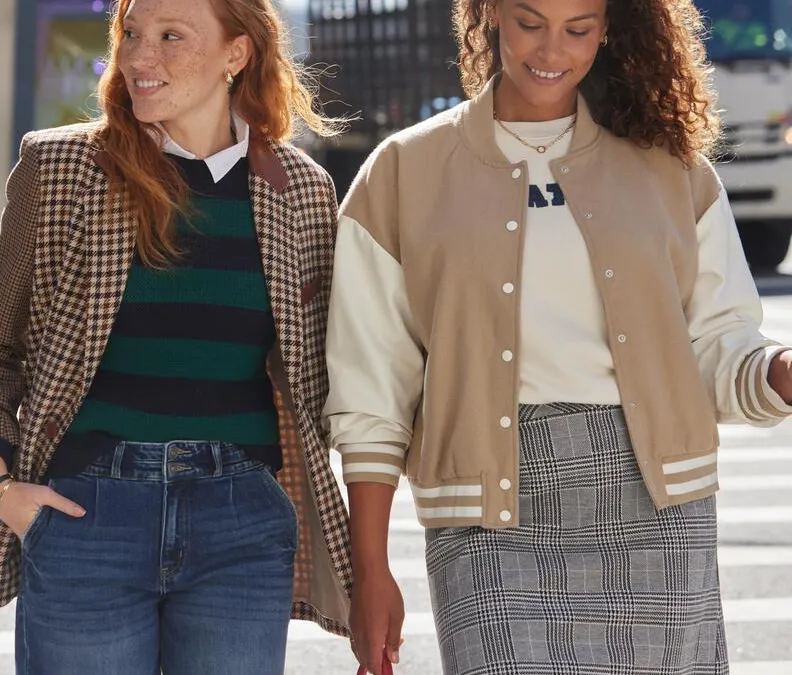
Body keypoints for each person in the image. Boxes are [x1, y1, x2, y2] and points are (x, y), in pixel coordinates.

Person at [323, 0, 792, 673]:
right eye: (529, 22)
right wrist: (369, 572)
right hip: (486, 515)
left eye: (578, 29)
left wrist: (778, 372)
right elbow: (371, 390)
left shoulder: (673, 169)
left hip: (654, 506)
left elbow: (719, 342)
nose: (552, 49)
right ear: (488, 17)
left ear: (609, 29)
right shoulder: (403, 173)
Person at [0, 0, 352, 672]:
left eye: (171, 37)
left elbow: (325, 374)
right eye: (132, 35)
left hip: (242, 522)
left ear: (237, 53)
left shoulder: (301, 191)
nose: (140, 58)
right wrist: (0, 487)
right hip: (87, 512)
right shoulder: (61, 169)